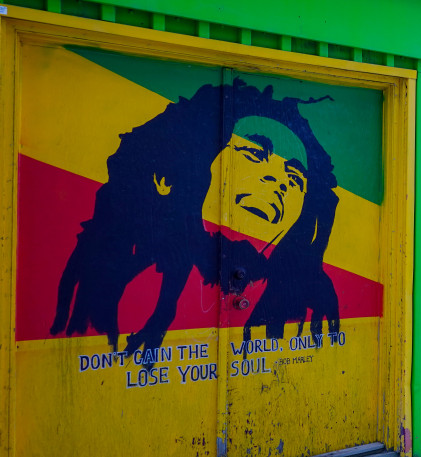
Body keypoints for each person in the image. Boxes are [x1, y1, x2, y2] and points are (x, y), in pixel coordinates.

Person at [49, 80, 340, 363]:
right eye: (253, 153)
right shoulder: (117, 279)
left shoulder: (310, 302)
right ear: (190, 171)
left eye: (294, 178)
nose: (277, 180)